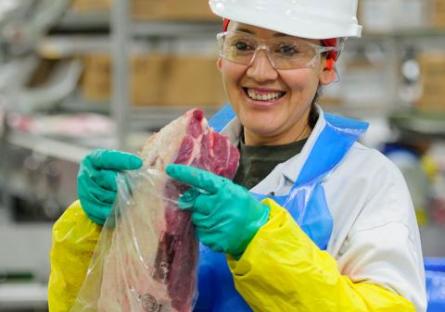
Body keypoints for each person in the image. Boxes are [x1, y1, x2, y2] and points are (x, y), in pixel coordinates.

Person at [48, 0, 427, 311]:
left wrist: (259, 242)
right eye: (242, 46)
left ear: (327, 65)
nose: (260, 71)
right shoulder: (180, 159)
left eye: (288, 49)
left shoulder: (365, 183)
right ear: (221, 56)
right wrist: (95, 227)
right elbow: (89, 304)